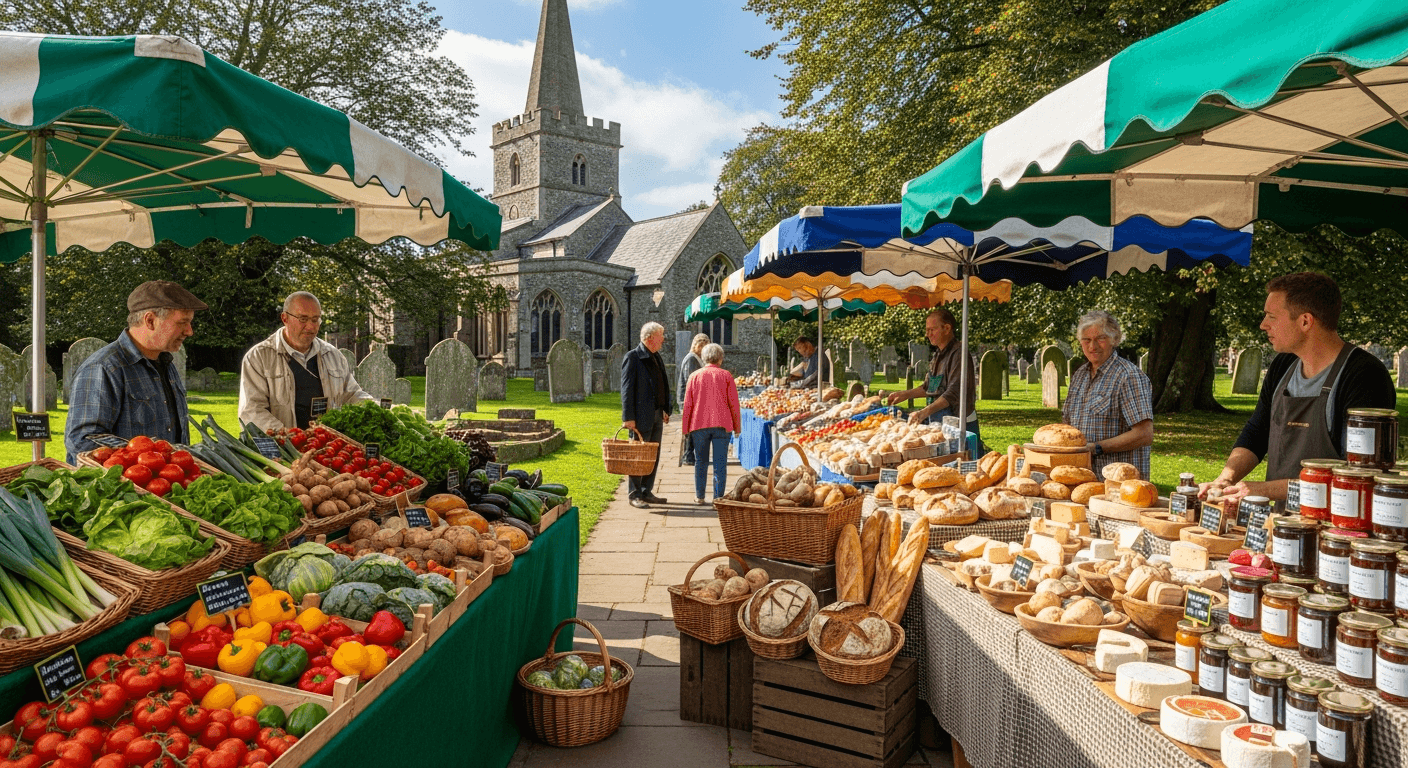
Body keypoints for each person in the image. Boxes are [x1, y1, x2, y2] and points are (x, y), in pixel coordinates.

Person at [1199, 272, 1395, 505]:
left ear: (1305, 321)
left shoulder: (1364, 376)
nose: (1263, 325)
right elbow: (1258, 431)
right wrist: (1225, 480)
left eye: (1271, 316)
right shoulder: (1284, 364)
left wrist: (1264, 490)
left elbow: (1356, 475)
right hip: (1284, 526)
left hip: (1339, 528)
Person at [65, 281, 208, 462]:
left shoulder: (166, 364)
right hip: (122, 487)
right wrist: (146, 464)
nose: (189, 331)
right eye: (183, 322)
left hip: (162, 486)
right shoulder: (104, 368)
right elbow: (83, 441)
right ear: (150, 321)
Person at [238, 291, 374, 431]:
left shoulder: (333, 355)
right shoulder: (258, 357)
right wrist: (290, 437)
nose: (310, 327)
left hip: (325, 446)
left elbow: (351, 395)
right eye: (303, 319)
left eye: (315, 320)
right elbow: (252, 410)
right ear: (285, 318)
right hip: (283, 449)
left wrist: (379, 407)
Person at [1063, 310, 1154, 479]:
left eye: (1100, 338)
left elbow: (1144, 434)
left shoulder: (1128, 376)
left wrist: (1096, 447)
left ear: (1115, 339)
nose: (1093, 346)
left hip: (1119, 485)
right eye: (1087, 340)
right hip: (1081, 479)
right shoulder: (1080, 375)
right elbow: (1067, 425)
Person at [886, 309, 980, 440]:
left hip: (960, 425)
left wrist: (924, 412)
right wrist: (904, 394)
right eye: (927, 330)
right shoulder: (938, 355)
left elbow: (953, 392)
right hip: (938, 420)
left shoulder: (959, 354)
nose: (927, 334)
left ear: (947, 328)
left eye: (932, 329)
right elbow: (928, 387)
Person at [682, 343, 742, 505]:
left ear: (703, 357)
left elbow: (688, 404)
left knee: (700, 461)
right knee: (720, 463)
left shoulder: (694, 376)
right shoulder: (726, 376)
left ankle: (699, 496)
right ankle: (718, 498)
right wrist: (737, 426)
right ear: (720, 359)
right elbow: (733, 404)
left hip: (698, 425)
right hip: (722, 425)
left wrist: (685, 428)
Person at [621, 322, 673, 508]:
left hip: (657, 414)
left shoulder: (656, 356)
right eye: (661, 335)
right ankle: (634, 494)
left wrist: (666, 408)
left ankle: (646, 491)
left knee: (652, 455)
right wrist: (628, 418)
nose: (663, 339)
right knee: (637, 456)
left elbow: (663, 385)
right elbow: (626, 390)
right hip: (640, 416)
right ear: (650, 338)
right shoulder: (633, 357)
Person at [677, 333, 709, 466]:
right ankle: (687, 456)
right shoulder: (692, 359)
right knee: (691, 429)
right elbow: (693, 381)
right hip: (688, 400)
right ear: (698, 346)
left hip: (692, 399)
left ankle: (690, 455)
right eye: (704, 347)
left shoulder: (696, 358)